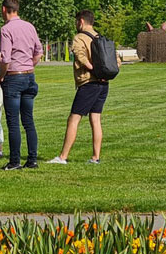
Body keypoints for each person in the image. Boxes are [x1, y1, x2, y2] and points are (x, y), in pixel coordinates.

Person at [48, 10, 120, 165]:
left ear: (81, 21)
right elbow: (116, 61)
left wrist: (91, 68)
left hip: (88, 84)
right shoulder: (101, 38)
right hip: (104, 84)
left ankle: (63, 157)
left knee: (74, 118)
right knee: (96, 119)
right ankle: (95, 157)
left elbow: (80, 56)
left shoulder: (79, 38)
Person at [0, 0, 43, 170]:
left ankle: (15, 160)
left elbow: (6, 58)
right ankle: (32, 159)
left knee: (13, 122)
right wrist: (29, 65)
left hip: (13, 76)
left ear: (4, 10)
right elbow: (38, 52)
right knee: (28, 120)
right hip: (29, 76)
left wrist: (2, 76)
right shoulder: (29, 26)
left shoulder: (6, 30)